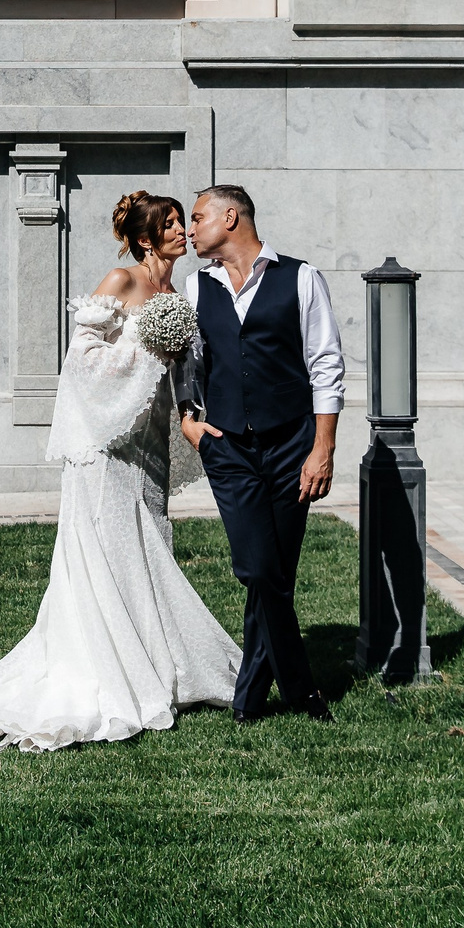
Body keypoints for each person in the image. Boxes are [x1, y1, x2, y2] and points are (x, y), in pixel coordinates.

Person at [0, 192, 241, 751]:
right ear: (146, 239)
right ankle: (109, 667)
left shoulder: (178, 293)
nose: (181, 231)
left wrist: (186, 414)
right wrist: (148, 348)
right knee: (106, 546)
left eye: (183, 222)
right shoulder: (121, 283)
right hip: (104, 445)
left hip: (147, 442)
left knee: (148, 541)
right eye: (171, 225)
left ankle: (158, 661)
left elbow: (182, 375)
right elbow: (80, 363)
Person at [179, 184, 343, 723]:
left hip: (292, 445)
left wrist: (322, 449)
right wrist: (189, 421)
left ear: (231, 217)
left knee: (274, 574)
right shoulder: (195, 286)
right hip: (227, 446)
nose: (190, 228)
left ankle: (249, 700)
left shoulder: (300, 277)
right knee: (256, 567)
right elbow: (188, 365)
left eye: (199, 217)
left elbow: (325, 366)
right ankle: (301, 690)